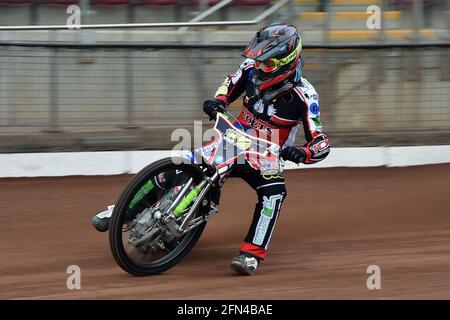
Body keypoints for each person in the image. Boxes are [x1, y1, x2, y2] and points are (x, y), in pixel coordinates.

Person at [92, 23, 330, 275]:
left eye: (266, 64)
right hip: (231, 139)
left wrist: (303, 153)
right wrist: (218, 101)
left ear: (287, 62)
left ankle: (251, 254)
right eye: (258, 61)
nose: (259, 67)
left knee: (274, 194)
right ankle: (122, 211)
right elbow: (230, 83)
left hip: (266, 155)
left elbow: (321, 142)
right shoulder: (251, 69)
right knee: (181, 163)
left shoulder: (306, 96)